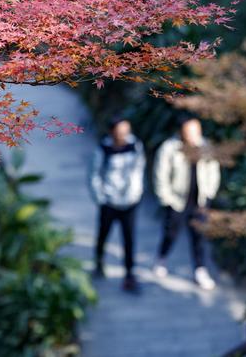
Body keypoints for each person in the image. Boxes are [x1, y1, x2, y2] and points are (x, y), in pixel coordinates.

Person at [153, 116, 220, 290]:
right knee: (171, 232)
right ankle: (162, 258)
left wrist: (209, 194)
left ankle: (200, 269)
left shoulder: (205, 147)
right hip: (177, 201)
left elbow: (213, 171)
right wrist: (166, 199)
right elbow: (160, 175)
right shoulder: (170, 148)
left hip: (200, 200)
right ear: (181, 132)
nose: (193, 135)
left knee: (199, 236)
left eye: (196, 131)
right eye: (189, 131)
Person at [89, 117, 146, 292]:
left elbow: (138, 169)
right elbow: (94, 174)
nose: (124, 135)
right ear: (112, 131)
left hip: (129, 201)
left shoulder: (134, 145)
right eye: (120, 131)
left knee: (129, 238)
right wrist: (101, 198)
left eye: (126, 131)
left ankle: (129, 273)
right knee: (103, 233)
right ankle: (99, 262)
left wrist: (136, 194)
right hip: (109, 201)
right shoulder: (104, 148)